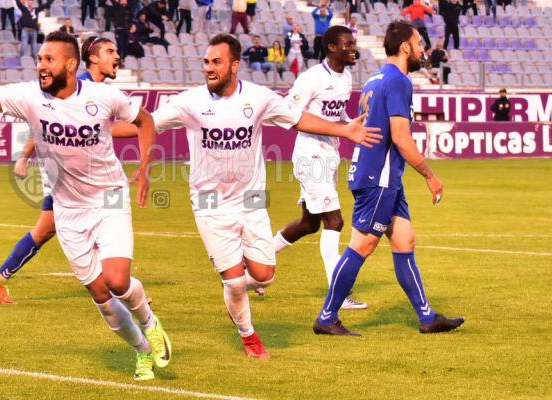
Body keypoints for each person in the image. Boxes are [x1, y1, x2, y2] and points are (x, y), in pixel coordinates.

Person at [0, 19, 172, 380]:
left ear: (70, 65)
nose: (41, 65)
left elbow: (145, 121)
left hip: (109, 198)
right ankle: (142, 352)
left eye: (49, 59)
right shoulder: (29, 97)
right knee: (101, 296)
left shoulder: (103, 97)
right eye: (39, 58)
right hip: (68, 210)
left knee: (117, 280)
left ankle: (149, 322)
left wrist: (145, 168)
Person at [151, 33, 381, 358]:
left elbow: (298, 118)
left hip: (251, 201)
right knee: (238, 279)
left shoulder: (258, 97)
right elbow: (146, 123)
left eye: (216, 62)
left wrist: (343, 129)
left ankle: (236, 284)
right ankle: (249, 336)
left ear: (234, 65)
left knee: (264, 275)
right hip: (210, 204)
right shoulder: (190, 102)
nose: (208, 68)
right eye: (205, 62)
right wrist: (101, 131)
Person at [313, 21, 465, 336]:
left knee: (404, 239)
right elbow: (401, 137)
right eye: (419, 44)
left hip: (378, 174)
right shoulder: (398, 81)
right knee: (363, 244)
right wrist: (430, 175)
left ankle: (427, 317)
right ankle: (327, 317)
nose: (423, 50)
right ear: (405, 47)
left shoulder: (375, 79)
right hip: (378, 177)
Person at [0, 36, 137, 304]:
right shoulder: (77, 86)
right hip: (69, 180)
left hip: (80, 180)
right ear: (91, 58)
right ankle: (118, 287)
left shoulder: (96, 92)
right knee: (47, 229)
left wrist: (147, 125)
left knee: (45, 230)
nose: (116, 57)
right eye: (110, 51)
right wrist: (24, 157)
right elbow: (47, 125)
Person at [275, 25, 368, 310]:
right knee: (335, 221)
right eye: (347, 44)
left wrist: (352, 124)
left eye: (353, 43)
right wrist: (342, 129)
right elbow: (287, 113)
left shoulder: (346, 77)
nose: (353, 48)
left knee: (308, 223)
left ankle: (253, 261)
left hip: (329, 156)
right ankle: (337, 292)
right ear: (331, 47)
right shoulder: (312, 78)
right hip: (309, 155)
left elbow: (336, 115)